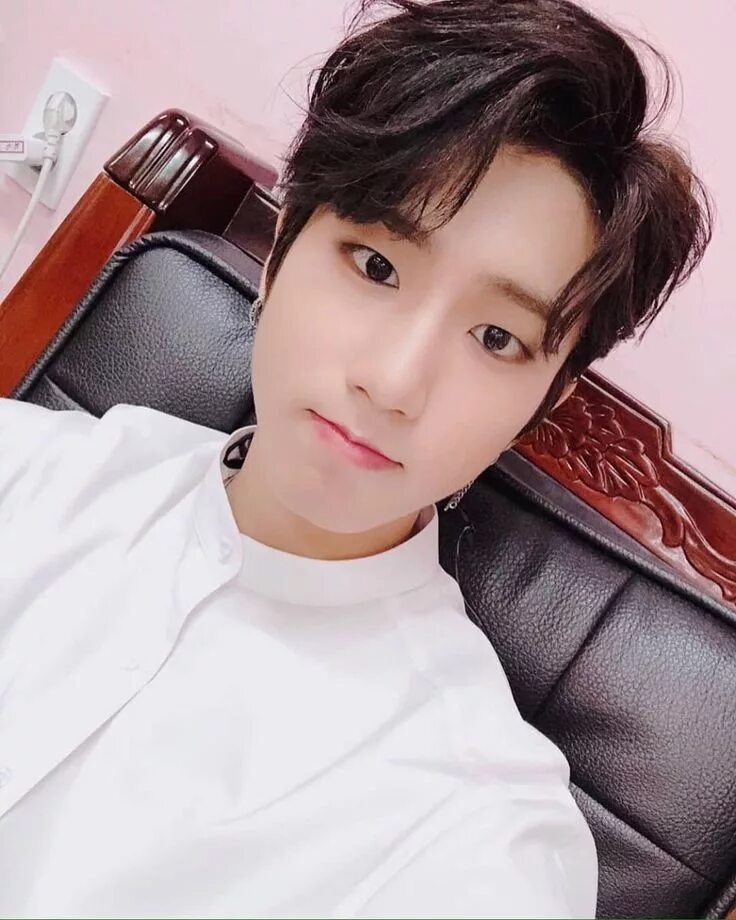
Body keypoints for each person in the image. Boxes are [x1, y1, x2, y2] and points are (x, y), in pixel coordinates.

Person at [0, 0, 712, 916]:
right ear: (280, 250)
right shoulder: (31, 469)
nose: (394, 382)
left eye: (496, 337)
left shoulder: (475, 843)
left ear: (544, 401)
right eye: (375, 266)